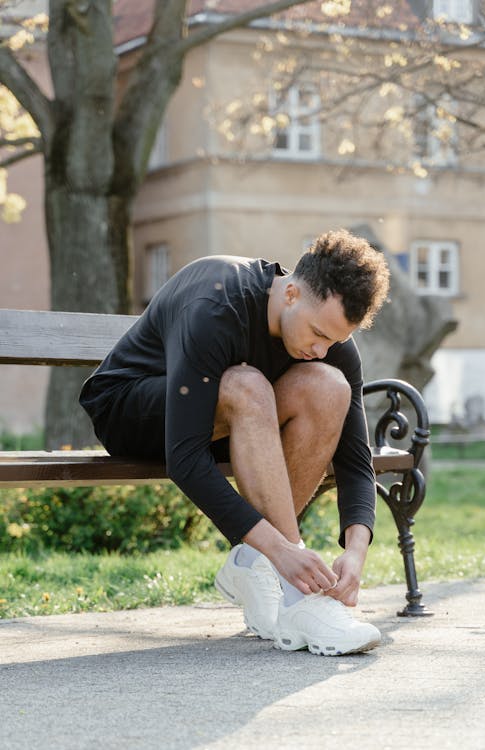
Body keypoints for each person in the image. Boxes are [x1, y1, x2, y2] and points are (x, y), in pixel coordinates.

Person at [80, 229, 390, 656]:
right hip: (132, 410)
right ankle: (296, 592)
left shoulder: (329, 345)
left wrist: (356, 552)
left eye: (333, 340)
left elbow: (356, 460)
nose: (321, 348)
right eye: (318, 333)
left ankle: (253, 564)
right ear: (292, 293)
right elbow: (184, 458)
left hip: (228, 424)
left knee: (328, 386)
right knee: (246, 384)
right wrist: (283, 550)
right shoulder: (217, 302)